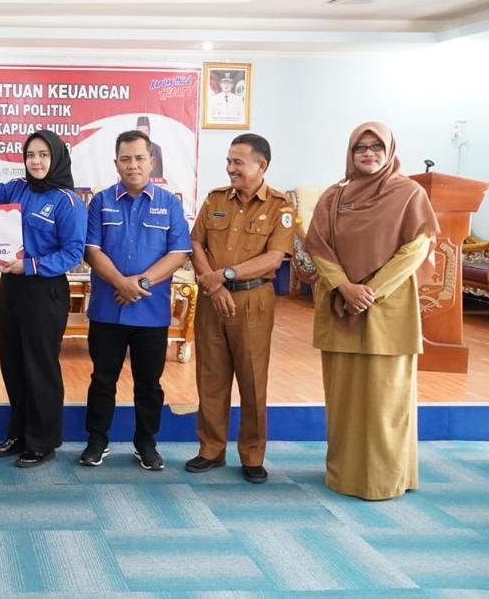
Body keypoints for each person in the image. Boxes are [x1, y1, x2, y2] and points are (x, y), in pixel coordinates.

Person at [304, 122, 438, 500]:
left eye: (376, 146)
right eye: (360, 147)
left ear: (389, 150)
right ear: (350, 153)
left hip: (388, 308)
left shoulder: (408, 194)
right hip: (341, 304)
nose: (368, 153)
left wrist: (371, 292)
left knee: (386, 401)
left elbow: (416, 248)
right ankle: (345, 475)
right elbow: (318, 246)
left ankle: (386, 479)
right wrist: (344, 286)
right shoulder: (334, 197)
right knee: (344, 399)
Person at [0, 130, 87, 468]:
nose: (36, 161)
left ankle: (43, 442)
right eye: (30, 155)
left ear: (56, 157)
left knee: (40, 367)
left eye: (43, 155)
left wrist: (30, 265)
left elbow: (73, 253)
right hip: (12, 287)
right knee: (13, 365)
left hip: (45, 290)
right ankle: (18, 434)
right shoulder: (16, 188)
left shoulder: (68, 201)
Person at [187, 133, 294, 484]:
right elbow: (196, 243)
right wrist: (214, 284)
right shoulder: (216, 199)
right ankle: (210, 449)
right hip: (212, 300)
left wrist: (225, 275)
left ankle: (252, 454)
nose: (230, 168)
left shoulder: (280, 206)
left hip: (253, 300)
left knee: (252, 380)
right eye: (229, 161)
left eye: (238, 162)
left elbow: (274, 258)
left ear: (261, 165)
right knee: (210, 377)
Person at [81, 130, 191, 470]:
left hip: (151, 311)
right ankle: (97, 441)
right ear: (116, 163)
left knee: (149, 384)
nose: (133, 165)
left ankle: (146, 443)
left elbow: (179, 253)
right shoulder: (101, 201)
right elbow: (91, 250)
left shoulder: (169, 203)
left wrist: (140, 283)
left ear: (151, 161)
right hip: (108, 309)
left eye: (140, 158)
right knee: (102, 380)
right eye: (125, 159)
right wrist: (120, 282)